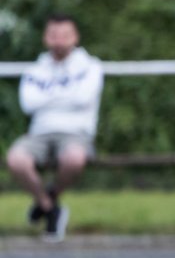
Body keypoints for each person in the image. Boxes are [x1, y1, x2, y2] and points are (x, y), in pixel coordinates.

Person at [5, 14, 103, 243]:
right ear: (45, 38)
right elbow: (28, 104)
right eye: (53, 35)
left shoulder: (90, 66)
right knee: (16, 159)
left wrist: (48, 95)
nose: (59, 40)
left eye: (64, 35)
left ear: (75, 37)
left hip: (77, 132)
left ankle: (45, 202)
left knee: (74, 159)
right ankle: (50, 209)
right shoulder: (36, 69)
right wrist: (65, 94)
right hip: (39, 132)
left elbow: (83, 99)